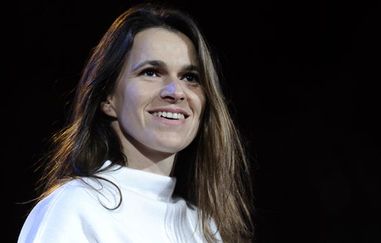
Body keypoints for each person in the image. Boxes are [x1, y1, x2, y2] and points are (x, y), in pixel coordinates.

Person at [17, 2, 254, 243]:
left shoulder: (202, 225)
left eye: (190, 77)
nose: (176, 91)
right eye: (151, 72)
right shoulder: (76, 207)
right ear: (108, 98)